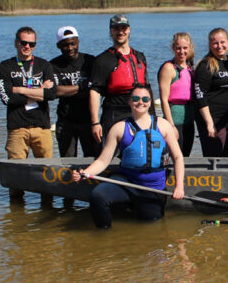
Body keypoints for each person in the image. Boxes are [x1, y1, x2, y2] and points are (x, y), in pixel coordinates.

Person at [71, 85, 184, 228]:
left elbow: (178, 158)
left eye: (145, 99)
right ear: (129, 101)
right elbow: (103, 160)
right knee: (98, 196)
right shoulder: (118, 128)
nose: (140, 102)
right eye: (135, 98)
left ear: (150, 102)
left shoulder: (164, 125)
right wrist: (85, 173)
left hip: (153, 188)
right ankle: (104, 235)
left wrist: (179, 186)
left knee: (151, 226)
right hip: (126, 183)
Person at [0, 27, 56, 198]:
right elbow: (6, 98)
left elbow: (51, 94)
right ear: (16, 43)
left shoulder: (44, 65)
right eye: (24, 43)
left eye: (32, 44)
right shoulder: (5, 66)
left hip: (42, 127)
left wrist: (19, 89)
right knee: (15, 179)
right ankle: (17, 216)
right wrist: (39, 92)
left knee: (48, 175)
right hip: (17, 128)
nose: (27, 47)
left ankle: (47, 209)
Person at [89, 14, 149, 144]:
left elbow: (147, 89)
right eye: (116, 29)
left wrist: (152, 117)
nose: (120, 32)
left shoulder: (140, 57)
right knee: (109, 154)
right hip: (114, 112)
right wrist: (95, 122)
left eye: (123, 28)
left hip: (138, 111)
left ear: (129, 30)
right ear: (111, 31)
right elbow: (95, 91)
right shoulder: (102, 60)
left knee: (140, 151)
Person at [50, 26, 98, 157]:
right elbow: (55, 91)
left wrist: (68, 90)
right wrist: (82, 87)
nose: (70, 48)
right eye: (65, 45)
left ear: (78, 42)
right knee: (67, 162)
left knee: (91, 159)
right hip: (65, 121)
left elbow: (95, 89)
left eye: (73, 44)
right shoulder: (53, 65)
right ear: (58, 45)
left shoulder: (90, 61)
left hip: (88, 120)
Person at [194, 28, 228, 157]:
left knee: (227, 157)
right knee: (214, 159)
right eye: (215, 43)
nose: (219, 46)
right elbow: (200, 96)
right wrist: (209, 123)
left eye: (222, 42)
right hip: (213, 122)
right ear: (210, 45)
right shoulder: (205, 65)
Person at [158, 32, 196, 157]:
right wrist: (171, 126)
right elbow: (164, 100)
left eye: (185, 48)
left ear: (190, 48)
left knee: (186, 157)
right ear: (173, 48)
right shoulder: (169, 68)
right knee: (175, 157)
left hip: (189, 121)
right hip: (175, 120)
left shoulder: (190, 68)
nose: (181, 51)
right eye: (178, 48)